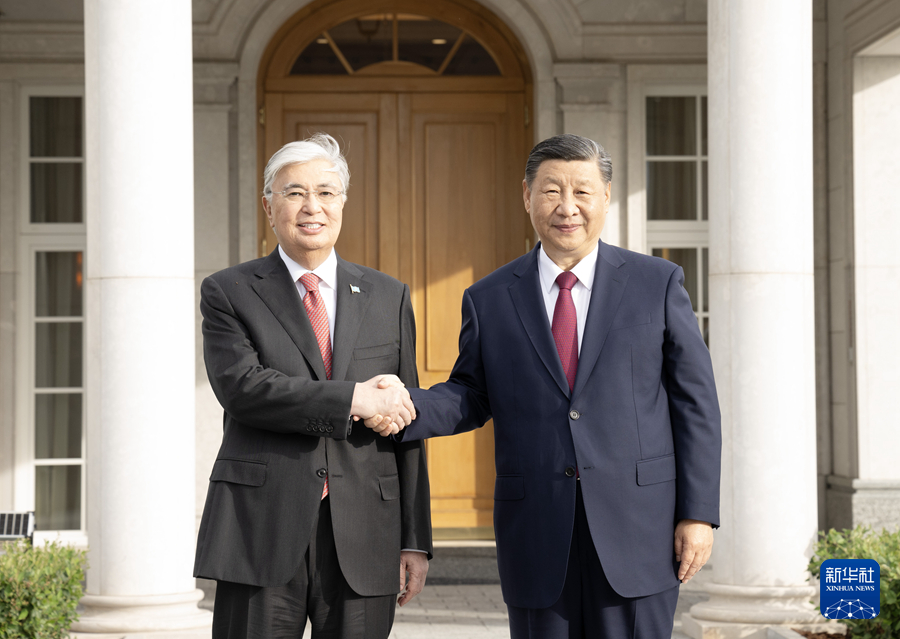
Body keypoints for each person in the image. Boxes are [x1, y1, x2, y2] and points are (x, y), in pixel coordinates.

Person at [369, 134, 721, 638]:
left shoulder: (656, 283)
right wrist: (403, 406)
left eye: (582, 191)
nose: (567, 207)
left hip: (639, 528)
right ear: (527, 196)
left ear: (606, 197)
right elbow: (470, 393)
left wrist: (698, 515)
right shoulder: (490, 297)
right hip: (536, 531)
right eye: (552, 190)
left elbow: (696, 405)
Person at [194, 133, 431, 639]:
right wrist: (355, 398)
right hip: (260, 528)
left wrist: (415, 539)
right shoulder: (229, 291)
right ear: (269, 206)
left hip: (366, 531)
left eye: (325, 192)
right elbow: (244, 388)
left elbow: (405, 421)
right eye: (294, 192)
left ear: (342, 203)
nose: (312, 206)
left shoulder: (388, 296)